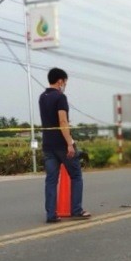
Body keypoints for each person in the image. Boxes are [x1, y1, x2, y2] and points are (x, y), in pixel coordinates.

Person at [39, 68, 91, 223]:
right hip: (62, 145)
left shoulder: (42, 97)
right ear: (60, 81)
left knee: (51, 180)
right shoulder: (60, 97)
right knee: (76, 176)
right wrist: (70, 143)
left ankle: (51, 215)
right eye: (65, 82)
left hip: (48, 145)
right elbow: (63, 121)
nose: (65, 85)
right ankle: (77, 210)